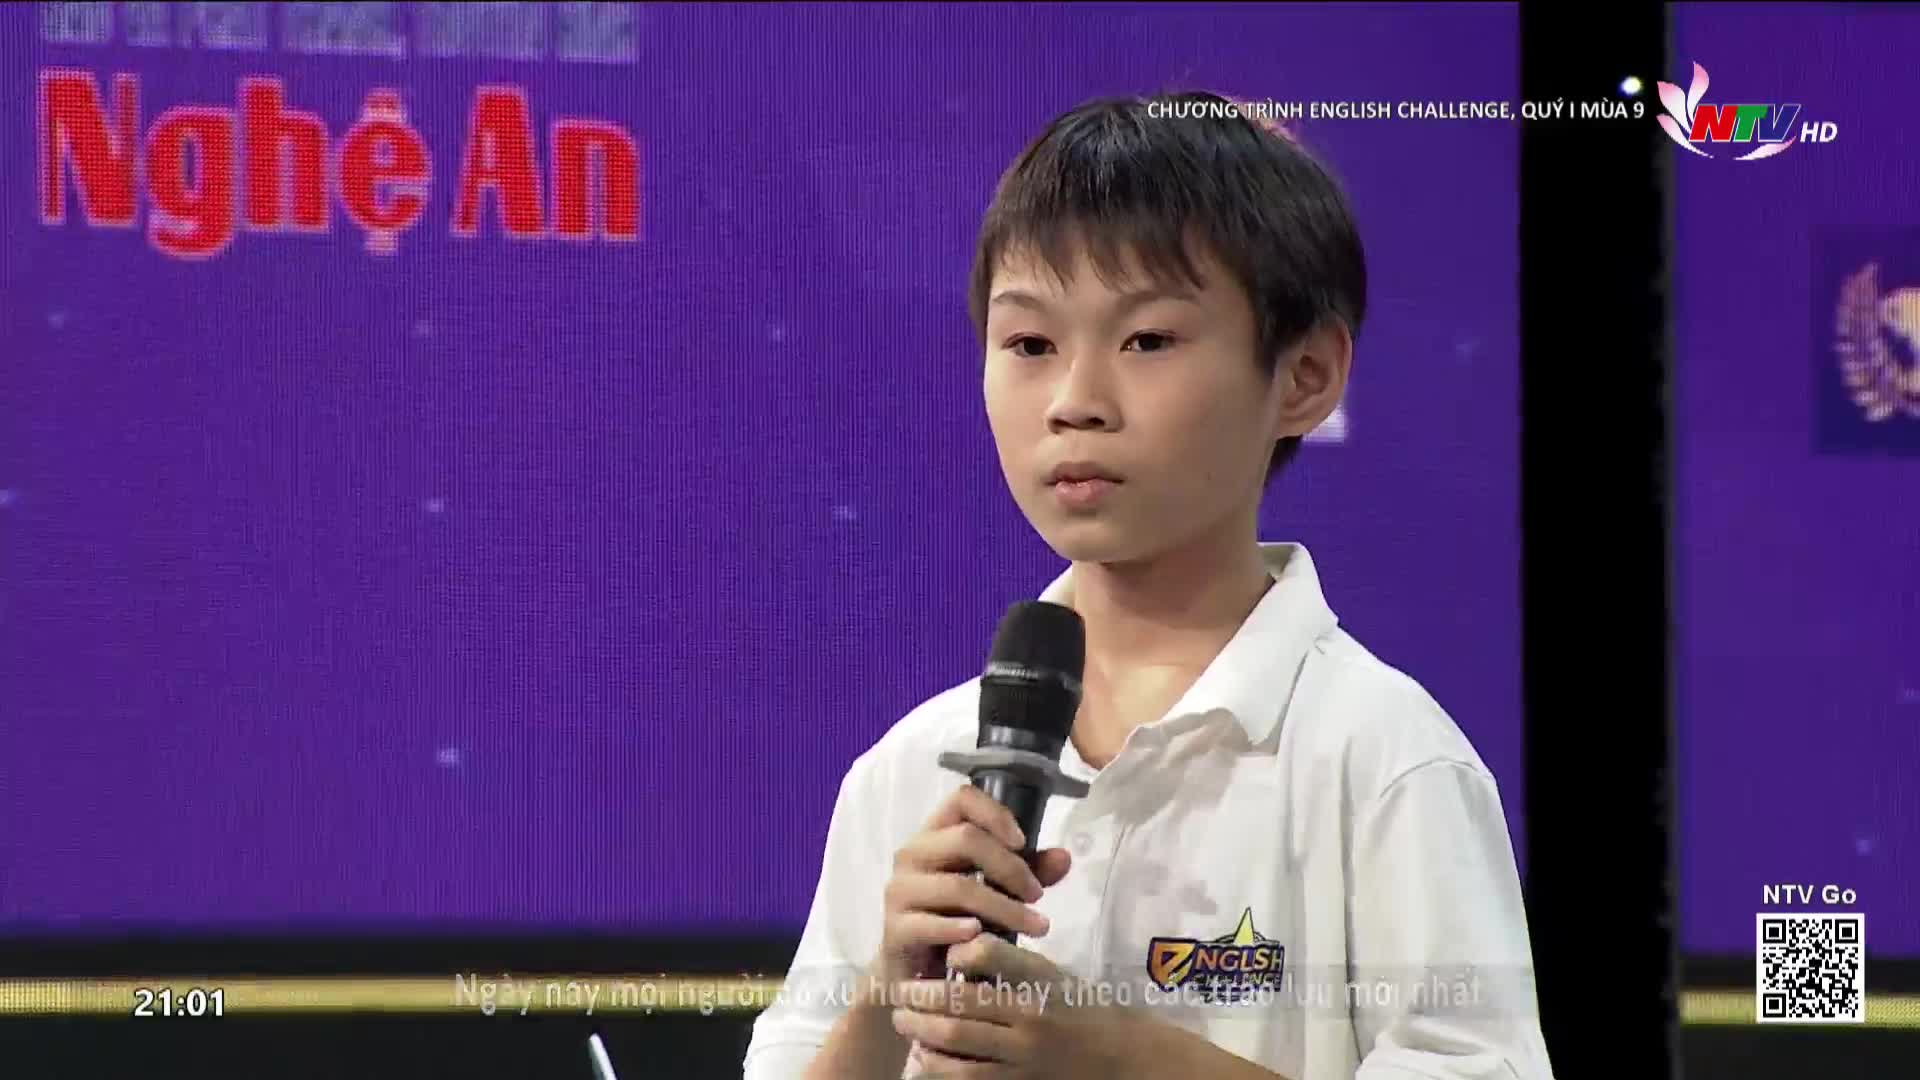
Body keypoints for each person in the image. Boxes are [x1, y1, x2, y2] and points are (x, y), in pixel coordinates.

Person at [742, 90, 1555, 1080]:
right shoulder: (911, 772)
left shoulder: (1379, 759)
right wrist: (887, 996)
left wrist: (1119, 1058)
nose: (1076, 402)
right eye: (1031, 345)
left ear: (1303, 376)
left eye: (1148, 342)